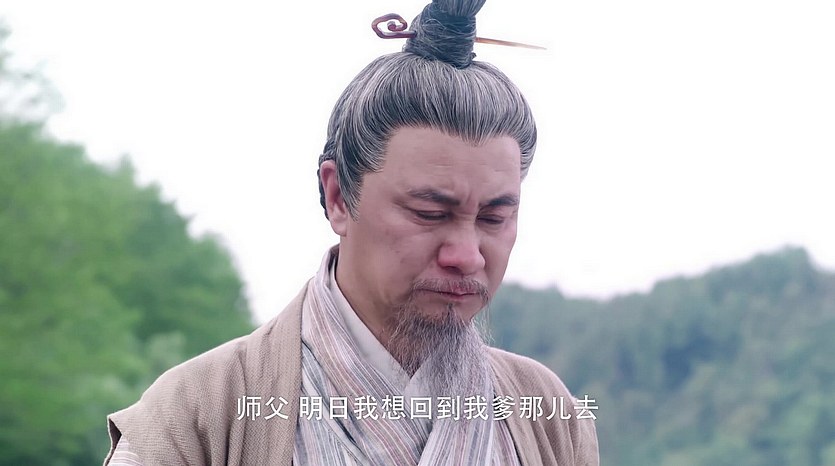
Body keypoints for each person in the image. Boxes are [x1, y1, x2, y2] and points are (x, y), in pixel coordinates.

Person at [104, 0, 599, 464]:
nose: (467, 255)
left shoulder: (547, 415)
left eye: (493, 218)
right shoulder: (195, 414)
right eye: (429, 212)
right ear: (339, 196)